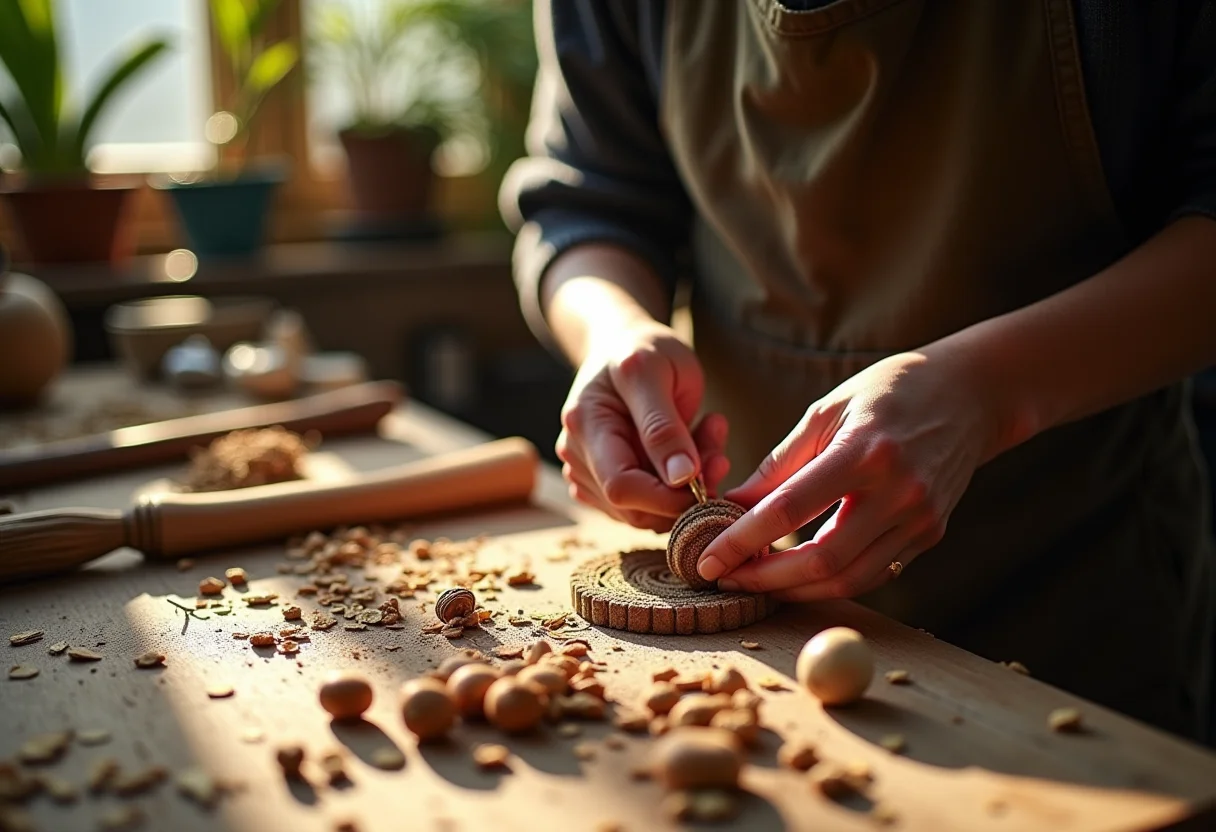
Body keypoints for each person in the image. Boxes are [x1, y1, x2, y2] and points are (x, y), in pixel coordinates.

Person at [498, 0, 1216, 745]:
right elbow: (591, 202)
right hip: (761, 625)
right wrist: (613, 332)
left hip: (1076, 585)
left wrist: (989, 391)